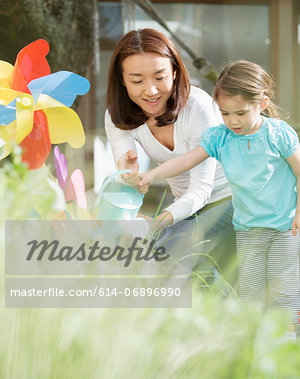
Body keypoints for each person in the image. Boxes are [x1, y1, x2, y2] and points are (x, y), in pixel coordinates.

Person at [139, 60, 300, 334]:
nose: (232, 121)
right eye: (225, 113)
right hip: (248, 229)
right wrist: (150, 176)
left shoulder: (277, 134)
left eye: (240, 112)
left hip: (285, 228)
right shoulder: (220, 137)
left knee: (284, 293)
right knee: (250, 297)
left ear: (261, 102)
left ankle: (287, 346)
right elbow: (185, 161)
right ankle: (254, 349)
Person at [105, 28, 234, 279]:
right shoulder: (117, 116)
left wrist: (161, 221)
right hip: (187, 208)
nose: (151, 91)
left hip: (231, 199)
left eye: (159, 77)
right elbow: (127, 175)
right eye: (137, 80)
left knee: (172, 252)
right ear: (122, 80)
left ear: (174, 72)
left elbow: (202, 189)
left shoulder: (198, 107)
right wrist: (129, 179)